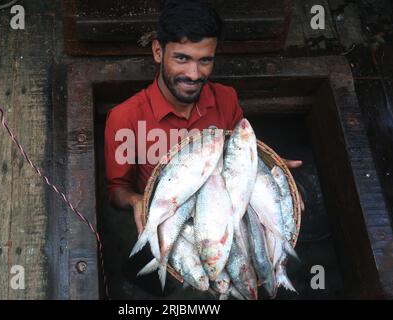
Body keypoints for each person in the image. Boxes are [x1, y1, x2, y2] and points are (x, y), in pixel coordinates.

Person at [104, 1, 304, 236]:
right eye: (182, 59)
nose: (193, 74)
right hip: (168, 224)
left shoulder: (226, 99)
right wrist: (135, 200)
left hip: (222, 214)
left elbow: (236, 154)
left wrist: (267, 170)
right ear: (158, 52)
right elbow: (118, 190)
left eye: (205, 60)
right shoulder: (124, 118)